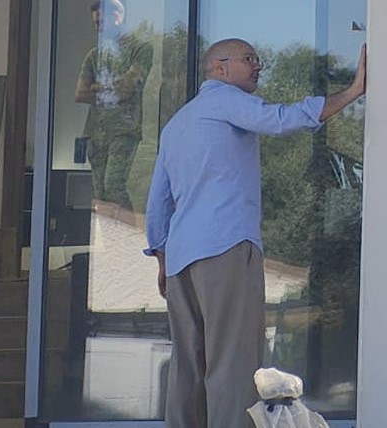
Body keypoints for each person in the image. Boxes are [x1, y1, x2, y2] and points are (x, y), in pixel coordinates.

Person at [145, 38, 367, 428]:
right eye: (248, 59)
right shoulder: (224, 100)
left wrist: (163, 258)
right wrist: (351, 93)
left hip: (181, 259)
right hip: (225, 247)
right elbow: (280, 119)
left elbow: (158, 202)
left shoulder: (177, 123)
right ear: (219, 68)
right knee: (232, 363)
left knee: (188, 367)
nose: (258, 66)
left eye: (257, 58)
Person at [75, 0, 153, 209]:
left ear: (117, 17)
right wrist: (111, 87)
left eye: (101, 22)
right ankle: (107, 232)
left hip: (123, 129)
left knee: (114, 187)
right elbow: (80, 94)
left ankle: (126, 230)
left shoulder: (140, 49)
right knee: (99, 193)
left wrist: (97, 87)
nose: (98, 28)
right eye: (95, 23)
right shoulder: (94, 55)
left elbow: (127, 88)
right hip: (96, 133)